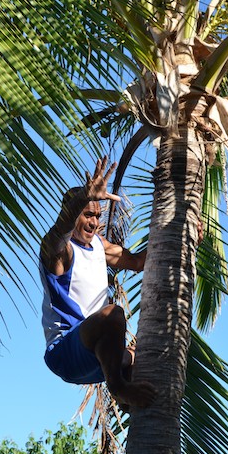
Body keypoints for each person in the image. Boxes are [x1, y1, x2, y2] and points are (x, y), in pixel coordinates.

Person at [40, 157, 157, 408]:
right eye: (87, 214)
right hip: (65, 353)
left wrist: (183, 239)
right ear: (72, 213)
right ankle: (118, 387)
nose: (94, 222)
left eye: (97, 215)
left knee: (147, 354)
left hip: (97, 357)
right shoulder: (58, 252)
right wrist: (82, 198)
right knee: (113, 314)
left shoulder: (98, 245)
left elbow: (138, 262)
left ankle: (130, 396)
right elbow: (61, 229)